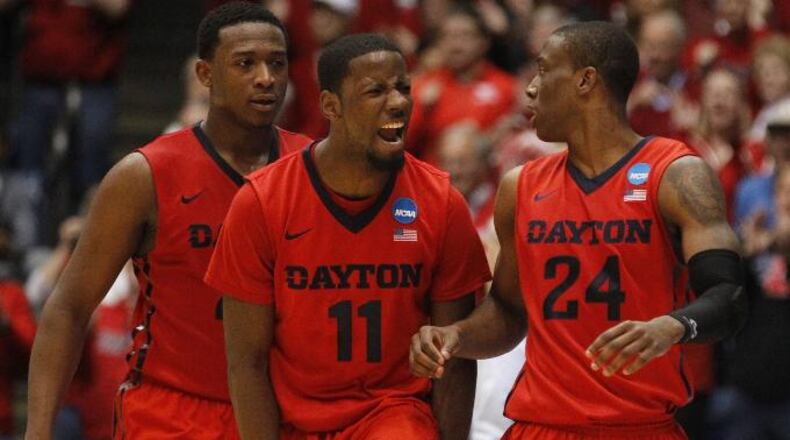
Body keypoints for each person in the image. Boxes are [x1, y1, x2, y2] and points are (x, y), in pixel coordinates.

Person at [410, 21, 747, 439]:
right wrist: (456, 335)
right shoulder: (521, 186)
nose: (530, 88)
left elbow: (729, 297)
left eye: (543, 70)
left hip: (639, 426)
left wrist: (673, 326)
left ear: (586, 80)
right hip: (541, 425)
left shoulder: (675, 174)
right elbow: (509, 312)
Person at [24, 3, 311, 439]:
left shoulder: (313, 168)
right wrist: (38, 432)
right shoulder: (144, 174)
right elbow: (68, 308)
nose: (266, 78)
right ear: (205, 74)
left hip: (282, 411)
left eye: (277, 62)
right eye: (245, 63)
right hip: (174, 415)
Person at [205, 33, 491, 440]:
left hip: (391, 414)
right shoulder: (261, 201)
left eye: (403, 88)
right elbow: (246, 362)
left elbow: (454, 359)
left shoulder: (441, 202)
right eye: (375, 91)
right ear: (330, 106)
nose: (398, 102)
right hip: (293, 419)